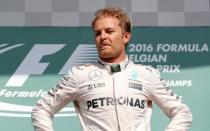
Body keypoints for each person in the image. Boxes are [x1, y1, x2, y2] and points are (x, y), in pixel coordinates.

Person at [31, 7, 192, 131]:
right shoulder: (79, 75)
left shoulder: (146, 75)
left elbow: (182, 112)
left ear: (126, 36)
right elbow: (41, 109)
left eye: (109, 31)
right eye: (98, 33)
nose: (102, 37)